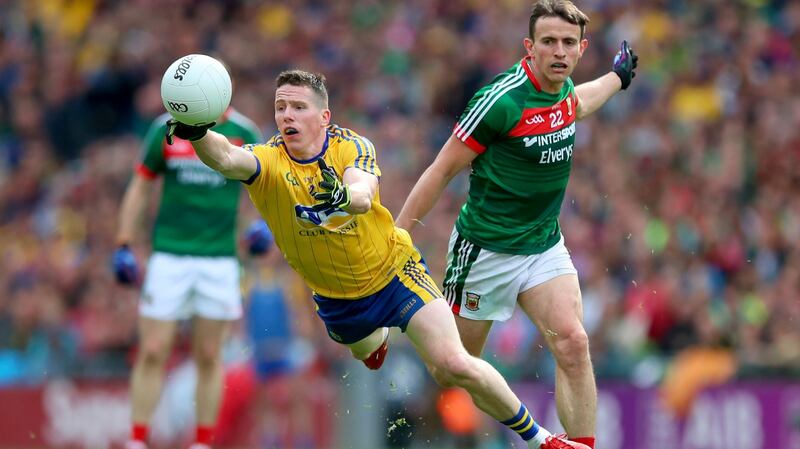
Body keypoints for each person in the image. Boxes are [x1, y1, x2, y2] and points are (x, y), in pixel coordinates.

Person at [163, 69, 591, 449]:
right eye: (280, 107)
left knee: (455, 362)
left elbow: (363, 193)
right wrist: (196, 133)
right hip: (338, 299)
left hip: (395, 273)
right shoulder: (268, 161)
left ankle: (542, 440)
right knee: (367, 351)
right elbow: (226, 156)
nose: (286, 116)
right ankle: (378, 342)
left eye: (298, 107)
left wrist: (342, 197)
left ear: (324, 117)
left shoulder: (351, 146)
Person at [395, 2, 639, 448]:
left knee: (573, 342)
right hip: (485, 253)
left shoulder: (563, 90)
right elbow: (441, 169)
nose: (559, 51)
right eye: (549, 42)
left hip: (544, 244)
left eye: (568, 43)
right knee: (451, 370)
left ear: (582, 48)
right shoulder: (500, 100)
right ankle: (421, 431)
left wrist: (618, 79)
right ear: (530, 47)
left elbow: (578, 103)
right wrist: (399, 235)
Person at [112, 106, 267, 449]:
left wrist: (259, 226)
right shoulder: (164, 129)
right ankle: (137, 440)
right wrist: (124, 241)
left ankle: (202, 442)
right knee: (152, 349)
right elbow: (141, 184)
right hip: (168, 256)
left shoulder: (244, 131)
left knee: (210, 354)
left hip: (220, 260)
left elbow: (261, 188)